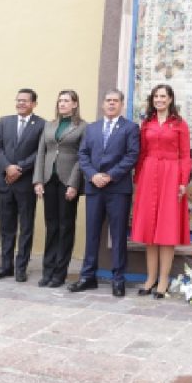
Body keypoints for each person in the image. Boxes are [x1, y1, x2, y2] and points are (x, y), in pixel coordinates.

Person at [69, 89, 140, 297]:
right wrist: (93, 175)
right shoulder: (92, 128)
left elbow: (132, 155)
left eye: (115, 101)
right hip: (94, 187)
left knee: (117, 235)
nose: (111, 104)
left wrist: (109, 175)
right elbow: (82, 154)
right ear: (103, 104)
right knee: (92, 234)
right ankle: (87, 277)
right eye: (108, 101)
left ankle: (118, 279)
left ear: (121, 105)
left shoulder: (130, 128)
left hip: (117, 188)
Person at [131, 84, 192, 298]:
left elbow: (185, 155)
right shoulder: (146, 123)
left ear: (170, 99)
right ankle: (150, 277)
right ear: (152, 100)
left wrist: (183, 181)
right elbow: (141, 153)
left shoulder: (179, 124)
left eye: (163, 96)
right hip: (149, 174)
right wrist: (138, 178)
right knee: (149, 229)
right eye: (156, 96)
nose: (159, 99)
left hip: (171, 174)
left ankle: (163, 280)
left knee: (166, 228)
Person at [0, 89, 45, 282]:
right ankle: (5, 266)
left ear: (34, 104)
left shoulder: (41, 124)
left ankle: (21, 267)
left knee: (26, 227)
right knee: (6, 227)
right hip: (5, 182)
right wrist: (7, 167)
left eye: (25, 101)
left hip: (25, 183)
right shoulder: (6, 121)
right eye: (18, 100)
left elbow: (40, 152)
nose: (21, 103)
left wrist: (19, 168)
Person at [33, 90, 87, 288]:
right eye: (60, 100)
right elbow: (41, 153)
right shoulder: (50, 125)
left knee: (65, 227)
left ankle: (60, 272)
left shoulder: (82, 127)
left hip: (67, 181)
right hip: (49, 180)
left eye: (66, 101)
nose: (62, 103)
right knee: (51, 226)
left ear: (74, 104)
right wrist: (38, 180)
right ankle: (47, 270)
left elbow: (83, 157)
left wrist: (74, 183)